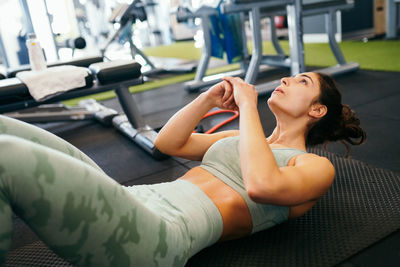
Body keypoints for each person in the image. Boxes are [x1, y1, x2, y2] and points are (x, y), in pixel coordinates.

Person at [0, 72, 365, 266]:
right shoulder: (244, 137)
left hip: (159, 237)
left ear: (317, 111)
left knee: (6, 157)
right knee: (5, 130)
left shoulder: (315, 166)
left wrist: (249, 106)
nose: (286, 79)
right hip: (131, 201)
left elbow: (261, 185)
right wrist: (206, 98)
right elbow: (167, 144)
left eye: (302, 81)